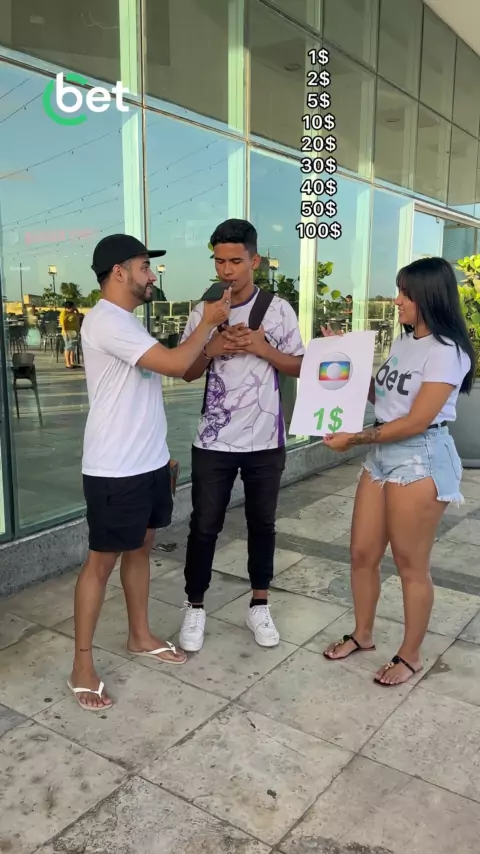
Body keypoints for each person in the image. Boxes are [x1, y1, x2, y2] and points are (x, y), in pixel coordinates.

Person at [68, 233, 231, 711]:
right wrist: (207, 322)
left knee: (140, 549)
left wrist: (161, 457)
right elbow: (177, 363)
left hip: (148, 462)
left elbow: (172, 373)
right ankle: (81, 665)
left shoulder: (128, 323)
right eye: (144, 266)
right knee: (100, 564)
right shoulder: (106, 321)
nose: (152, 274)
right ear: (119, 272)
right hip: (114, 468)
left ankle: (139, 634)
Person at [322, 257, 475, 686]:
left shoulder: (448, 352)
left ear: (428, 296)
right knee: (361, 553)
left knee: (410, 563)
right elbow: (385, 396)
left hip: (420, 457)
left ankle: (410, 656)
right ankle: (363, 634)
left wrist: (354, 439)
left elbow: (416, 421)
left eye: (405, 293)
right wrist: (343, 360)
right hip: (382, 455)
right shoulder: (405, 341)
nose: (397, 300)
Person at [177, 218, 304, 653]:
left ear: (255, 260)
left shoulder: (278, 309)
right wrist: (211, 347)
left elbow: (300, 365)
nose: (227, 270)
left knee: (262, 524)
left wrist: (261, 348)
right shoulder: (204, 310)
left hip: (266, 440)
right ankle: (195, 606)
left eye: (235, 261)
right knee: (204, 525)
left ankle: (259, 604)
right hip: (213, 441)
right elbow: (186, 371)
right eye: (219, 261)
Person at [59, 300, 80, 368]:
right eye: (73, 307)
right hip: (68, 332)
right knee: (68, 347)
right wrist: (65, 333)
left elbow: (78, 317)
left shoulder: (73, 312)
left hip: (74, 332)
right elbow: (62, 324)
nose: (74, 308)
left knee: (73, 347)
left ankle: (72, 362)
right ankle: (67, 363)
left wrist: (77, 311)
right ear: (68, 307)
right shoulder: (64, 313)